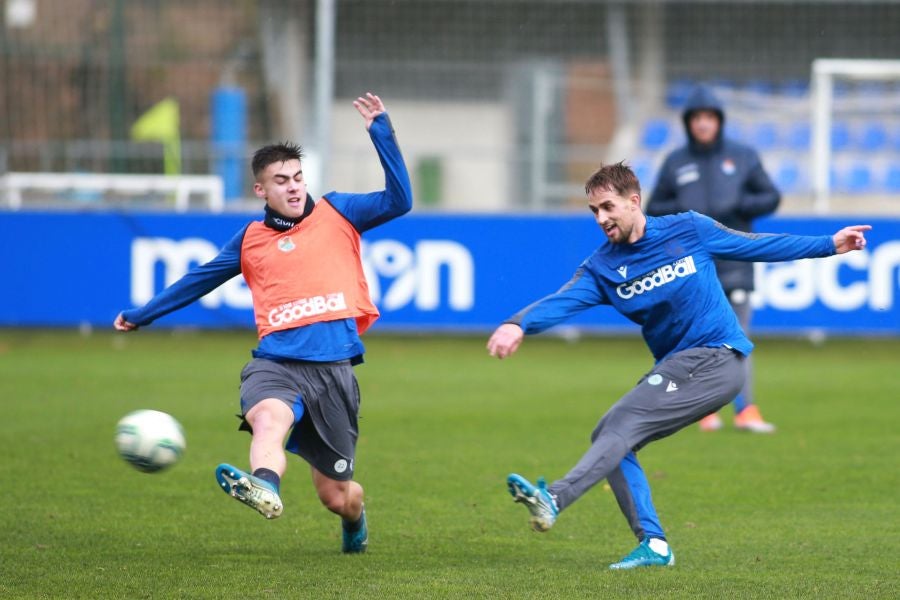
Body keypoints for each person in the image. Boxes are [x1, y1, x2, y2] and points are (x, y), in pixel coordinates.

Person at [486, 162, 869, 569]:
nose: (600, 218)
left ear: (634, 201)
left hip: (718, 357)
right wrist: (519, 323)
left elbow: (756, 244)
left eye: (608, 206)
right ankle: (654, 545)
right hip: (681, 367)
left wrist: (829, 244)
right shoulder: (602, 269)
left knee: (619, 427)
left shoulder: (687, 228)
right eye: (594, 210)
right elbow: (561, 300)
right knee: (611, 438)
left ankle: (554, 498)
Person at [114, 93, 412, 554]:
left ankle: (355, 520)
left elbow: (400, 201)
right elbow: (199, 279)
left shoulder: (339, 211)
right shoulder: (250, 239)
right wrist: (142, 315)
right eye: (281, 181)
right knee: (269, 418)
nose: (293, 188)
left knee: (337, 497)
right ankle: (265, 485)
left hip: (334, 372)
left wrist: (381, 133)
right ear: (261, 190)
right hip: (276, 364)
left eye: (298, 177)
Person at [646, 83, 781, 433]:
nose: (703, 123)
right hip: (693, 266)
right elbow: (654, 208)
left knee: (738, 339)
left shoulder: (743, 156)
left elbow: (770, 197)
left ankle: (746, 410)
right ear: (688, 122)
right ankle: (705, 410)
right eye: (697, 118)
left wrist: (739, 206)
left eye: (709, 117)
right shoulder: (676, 162)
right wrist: (683, 211)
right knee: (698, 342)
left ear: (719, 120)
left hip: (736, 263)